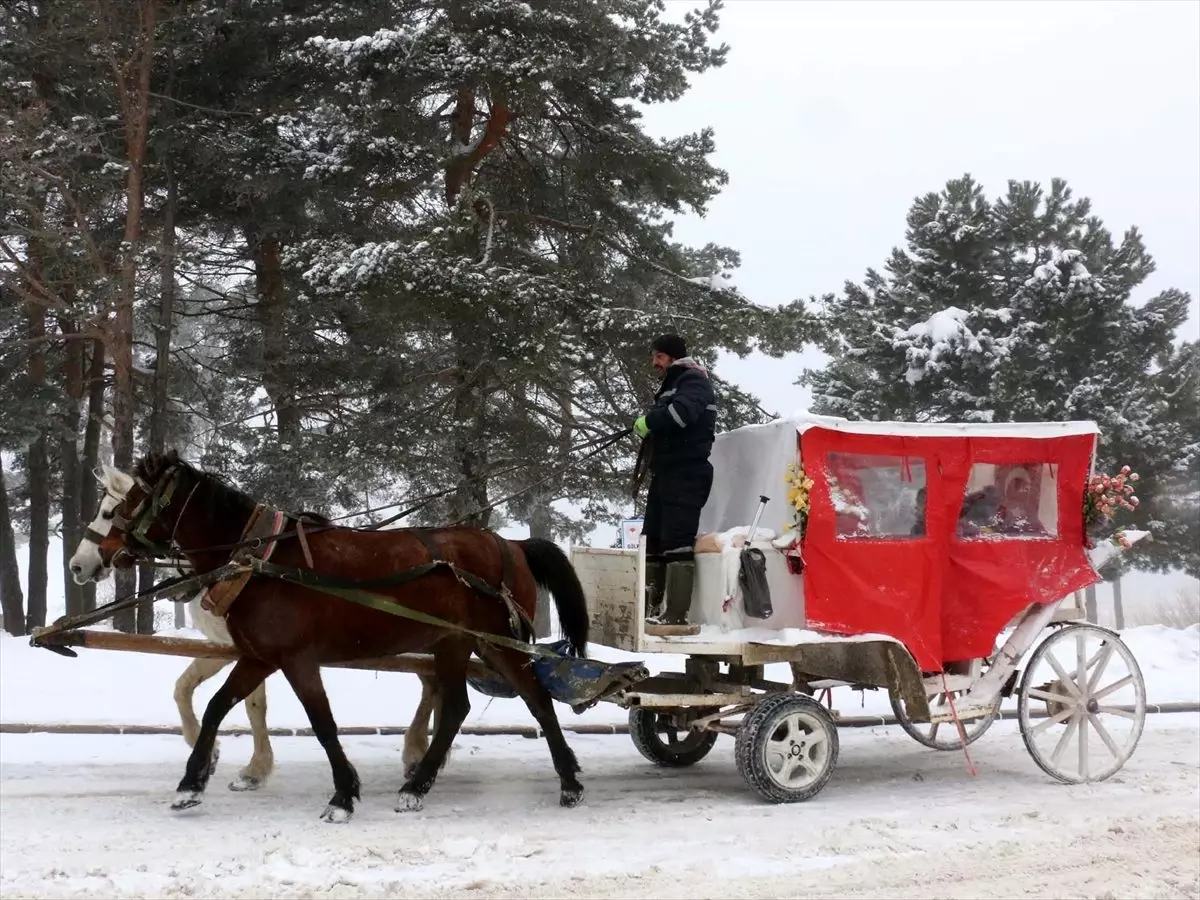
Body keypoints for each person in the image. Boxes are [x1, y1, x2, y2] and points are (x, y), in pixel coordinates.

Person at [632, 334, 718, 627]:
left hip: (687, 472)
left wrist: (650, 422)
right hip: (667, 472)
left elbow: (681, 415)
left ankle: (675, 615)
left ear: (672, 357)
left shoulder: (693, 381)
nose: (654, 363)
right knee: (654, 540)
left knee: (678, 543)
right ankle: (650, 610)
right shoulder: (675, 383)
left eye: (658, 356)